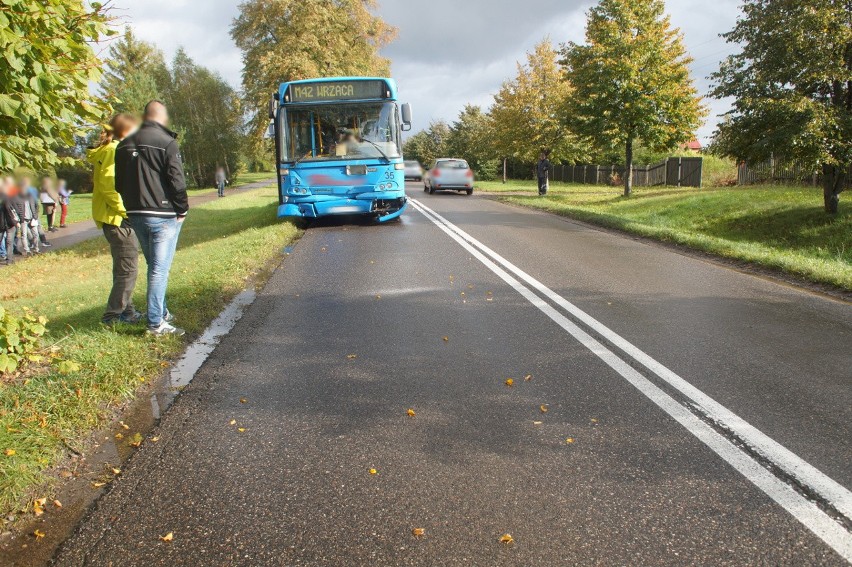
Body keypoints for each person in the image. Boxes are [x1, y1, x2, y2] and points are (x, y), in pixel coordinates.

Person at [116, 100, 189, 337]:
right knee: (159, 269)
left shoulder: (123, 145)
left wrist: (132, 204)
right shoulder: (167, 142)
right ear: (160, 116)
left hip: (135, 213)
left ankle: (161, 312)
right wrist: (182, 209)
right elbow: (177, 181)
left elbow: (118, 183)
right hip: (162, 214)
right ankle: (156, 323)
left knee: (153, 266)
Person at [89, 113, 144, 325]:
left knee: (123, 269)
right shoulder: (114, 150)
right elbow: (109, 188)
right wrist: (126, 212)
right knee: (128, 269)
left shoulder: (107, 149)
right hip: (117, 220)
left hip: (112, 219)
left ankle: (127, 312)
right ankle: (112, 316)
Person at [0, 178, 20, 265]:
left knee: (8, 241)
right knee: (9, 241)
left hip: (4, 222)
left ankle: (9, 259)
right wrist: (16, 222)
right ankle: (9, 260)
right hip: (9, 223)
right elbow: (12, 210)